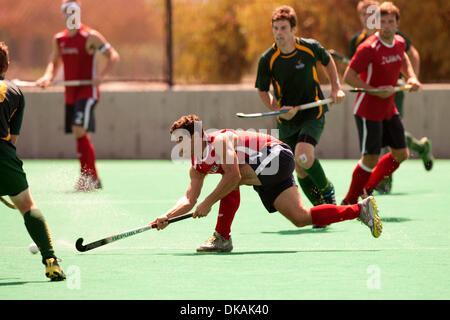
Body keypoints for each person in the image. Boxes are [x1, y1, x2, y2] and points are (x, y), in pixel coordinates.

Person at [154, 114, 382, 252]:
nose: (177, 146)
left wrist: (208, 203)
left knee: (231, 177)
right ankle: (360, 210)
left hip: (276, 155)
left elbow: (233, 177)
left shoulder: (220, 142)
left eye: (180, 140)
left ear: (195, 137)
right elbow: (189, 199)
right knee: (300, 217)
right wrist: (168, 215)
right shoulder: (196, 166)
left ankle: (222, 236)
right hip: (263, 170)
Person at [254, 6, 346, 228]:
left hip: (313, 113)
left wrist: (336, 88)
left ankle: (327, 191)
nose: (279, 33)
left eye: (284, 28)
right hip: (287, 120)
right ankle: (319, 209)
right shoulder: (268, 59)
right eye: (275, 28)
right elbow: (262, 90)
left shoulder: (310, 48)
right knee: (300, 167)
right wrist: (277, 108)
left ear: (294, 29)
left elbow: (328, 61)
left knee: (303, 155)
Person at [348, 0, 433, 194]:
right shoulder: (363, 44)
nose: (386, 25)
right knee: (372, 155)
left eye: (390, 22)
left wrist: (411, 78)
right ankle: (353, 199)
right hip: (369, 106)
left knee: (399, 147)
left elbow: (405, 56)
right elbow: (351, 74)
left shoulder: (398, 39)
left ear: (396, 23)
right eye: (381, 21)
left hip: (392, 100)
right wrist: (372, 89)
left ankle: (376, 182)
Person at [36, 0, 119, 192]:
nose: (71, 15)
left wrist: (101, 75)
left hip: (87, 91)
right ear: (63, 14)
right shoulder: (59, 39)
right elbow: (54, 62)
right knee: (77, 133)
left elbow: (113, 55)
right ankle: (89, 177)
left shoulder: (90, 36)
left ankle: (89, 177)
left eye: (74, 11)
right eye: (67, 12)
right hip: (70, 93)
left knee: (78, 128)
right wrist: (47, 77)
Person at [0, 42, 65, 281]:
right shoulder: (15, 93)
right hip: (4, 157)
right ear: (7, 65)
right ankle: (51, 261)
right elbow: (12, 139)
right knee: (27, 206)